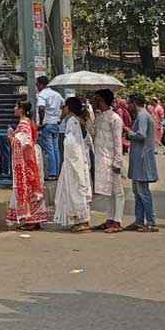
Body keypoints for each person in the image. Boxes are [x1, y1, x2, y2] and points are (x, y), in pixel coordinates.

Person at [53, 97, 93, 232]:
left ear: (68, 108)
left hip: (74, 162)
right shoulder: (76, 121)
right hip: (77, 161)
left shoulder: (72, 121)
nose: (62, 109)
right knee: (77, 190)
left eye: (63, 107)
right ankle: (80, 219)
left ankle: (82, 220)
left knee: (76, 190)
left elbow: (71, 144)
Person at [7, 101, 48, 229]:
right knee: (34, 185)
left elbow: (22, 143)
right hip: (31, 156)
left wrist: (10, 136)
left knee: (28, 185)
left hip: (27, 158)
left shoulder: (23, 123)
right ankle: (35, 218)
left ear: (21, 110)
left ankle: (31, 220)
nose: (14, 108)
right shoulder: (29, 122)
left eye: (16, 106)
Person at [89, 89, 126, 233]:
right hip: (101, 158)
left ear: (102, 100)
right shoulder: (99, 117)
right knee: (109, 192)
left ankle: (117, 221)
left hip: (112, 159)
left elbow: (118, 142)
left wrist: (118, 162)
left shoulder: (115, 118)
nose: (94, 101)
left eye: (97, 99)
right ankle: (110, 219)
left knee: (118, 191)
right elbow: (92, 134)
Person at [125, 95, 159, 232]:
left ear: (134, 103)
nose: (128, 106)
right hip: (139, 158)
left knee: (143, 192)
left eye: (129, 103)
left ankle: (151, 222)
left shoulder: (142, 116)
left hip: (142, 159)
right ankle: (139, 221)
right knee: (137, 192)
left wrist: (129, 133)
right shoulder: (142, 115)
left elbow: (141, 135)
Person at [36, 75, 64, 180]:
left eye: (37, 84)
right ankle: (57, 172)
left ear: (40, 84)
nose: (37, 87)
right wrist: (59, 117)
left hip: (47, 124)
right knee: (56, 149)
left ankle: (52, 173)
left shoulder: (42, 94)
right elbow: (63, 105)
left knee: (50, 149)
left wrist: (41, 122)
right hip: (56, 124)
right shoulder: (57, 94)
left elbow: (41, 108)